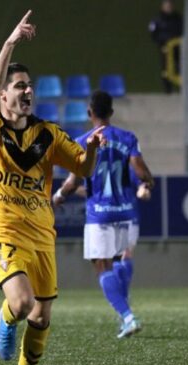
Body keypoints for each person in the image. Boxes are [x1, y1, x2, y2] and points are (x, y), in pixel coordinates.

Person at [0, 10, 104, 365]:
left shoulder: (48, 134)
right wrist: (9, 45)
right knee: (23, 303)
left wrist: (92, 153)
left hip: (42, 235)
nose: (27, 91)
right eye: (19, 86)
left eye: (30, 86)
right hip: (4, 230)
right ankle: (6, 318)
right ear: (5, 96)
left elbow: (81, 167)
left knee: (43, 318)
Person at [52, 90, 154, 339]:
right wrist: (147, 184)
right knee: (122, 259)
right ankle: (124, 309)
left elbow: (73, 182)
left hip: (100, 215)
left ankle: (128, 316)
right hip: (127, 212)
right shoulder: (127, 137)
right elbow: (140, 170)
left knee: (102, 266)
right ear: (111, 112)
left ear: (90, 113)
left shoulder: (82, 141)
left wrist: (58, 196)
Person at [148, 0, 183, 93]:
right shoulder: (157, 20)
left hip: (176, 47)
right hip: (164, 48)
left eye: (170, 6)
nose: (168, 8)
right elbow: (153, 32)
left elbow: (181, 30)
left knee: (179, 66)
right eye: (166, 6)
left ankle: (181, 88)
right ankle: (168, 89)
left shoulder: (177, 18)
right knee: (165, 68)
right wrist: (161, 41)